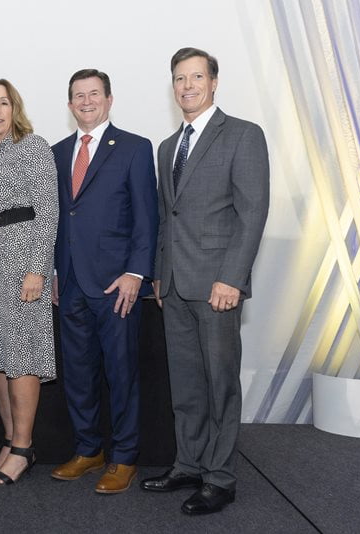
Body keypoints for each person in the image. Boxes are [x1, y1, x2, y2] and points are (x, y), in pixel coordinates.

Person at [140, 47, 269, 515]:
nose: (187, 86)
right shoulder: (168, 147)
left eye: (196, 77)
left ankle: (220, 478)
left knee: (220, 385)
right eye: (179, 78)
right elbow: (165, 218)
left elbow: (252, 213)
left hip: (218, 286)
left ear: (214, 82)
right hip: (173, 286)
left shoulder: (242, 135)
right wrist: (158, 274)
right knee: (187, 386)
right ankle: (188, 465)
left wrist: (231, 278)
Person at [50, 69, 158, 494]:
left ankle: (124, 458)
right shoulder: (58, 153)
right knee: (77, 374)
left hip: (117, 286)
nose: (87, 101)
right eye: (79, 95)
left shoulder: (133, 148)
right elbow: (58, 219)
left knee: (121, 373)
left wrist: (136, 273)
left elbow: (147, 218)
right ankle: (88, 450)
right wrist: (56, 271)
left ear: (110, 100)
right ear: (70, 103)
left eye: (95, 94)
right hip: (71, 284)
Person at [0, 79, 59, 487]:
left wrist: (39, 268)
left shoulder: (33, 147)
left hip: (23, 265)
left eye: (3, 102)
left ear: (14, 108)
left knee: (21, 356)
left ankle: (23, 447)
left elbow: (48, 212)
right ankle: (9, 439)